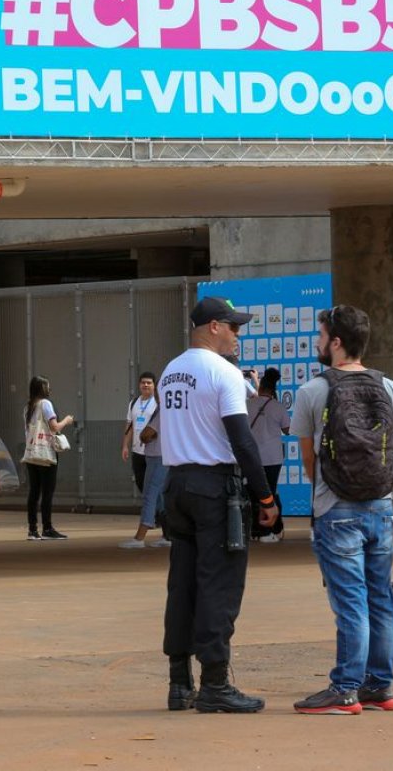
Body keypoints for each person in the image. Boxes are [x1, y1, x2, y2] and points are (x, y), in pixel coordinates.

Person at [290, 305, 393, 715]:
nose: (317, 341)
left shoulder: (313, 390)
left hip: (336, 510)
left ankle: (345, 688)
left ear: (337, 342)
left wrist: (329, 492)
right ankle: (379, 686)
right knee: (380, 598)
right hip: (382, 507)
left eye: (321, 334)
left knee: (351, 601)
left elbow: (309, 459)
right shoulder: (390, 388)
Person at [158, 297, 278, 714]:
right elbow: (242, 441)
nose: (237, 336)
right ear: (213, 327)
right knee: (219, 584)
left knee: (182, 583)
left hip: (176, 485)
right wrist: (265, 496)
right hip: (214, 488)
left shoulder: (171, 371)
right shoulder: (223, 373)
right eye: (233, 327)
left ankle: (178, 683)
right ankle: (214, 683)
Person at [21, 375, 74, 541]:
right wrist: (66, 420)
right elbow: (54, 427)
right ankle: (48, 528)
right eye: (47, 386)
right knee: (47, 491)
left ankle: (32, 529)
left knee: (34, 491)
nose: (50, 389)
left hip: (31, 454)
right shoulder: (46, 404)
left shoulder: (28, 407)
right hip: (46, 453)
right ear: (42, 389)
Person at [120, 377, 170, 549]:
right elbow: (130, 425)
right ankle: (168, 533)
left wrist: (142, 437)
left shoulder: (162, 408)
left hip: (157, 455)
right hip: (163, 455)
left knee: (150, 493)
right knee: (161, 496)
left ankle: (140, 536)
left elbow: (148, 433)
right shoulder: (137, 403)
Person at [245, 368, 289, 542]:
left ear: (260, 386)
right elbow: (287, 430)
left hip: (252, 457)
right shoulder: (278, 407)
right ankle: (270, 530)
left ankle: (255, 530)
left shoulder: (247, 405)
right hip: (273, 457)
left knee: (253, 493)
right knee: (270, 493)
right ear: (274, 389)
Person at [121, 372, 157, 496]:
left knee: (154, 484)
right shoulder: (134, 403)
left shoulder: (158, 403)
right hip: (137, 451)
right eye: (143, 382)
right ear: (139, 385)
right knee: (140, 482)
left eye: (149, 383)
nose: (146, 385)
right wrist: (125, 446)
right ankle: (152, 511)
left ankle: (156, 513)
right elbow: (129, 426)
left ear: (154, 385)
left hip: (153, 452)